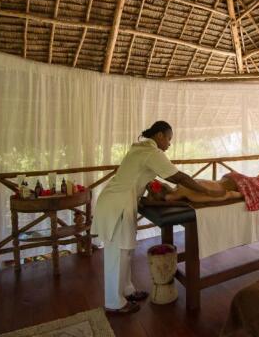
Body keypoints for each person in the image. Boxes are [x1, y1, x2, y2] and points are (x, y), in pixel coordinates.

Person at [92, 121, 225, 314]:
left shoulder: (141, 149)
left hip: (121, 202)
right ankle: (114, 303)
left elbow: (146, 179)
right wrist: (206, 191)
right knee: (118, 254)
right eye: (169, 139)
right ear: (160, 135)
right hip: (117, 204)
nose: (169, 144)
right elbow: (178, 177)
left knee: (126, 251)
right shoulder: (151, 152)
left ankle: (127, 291)